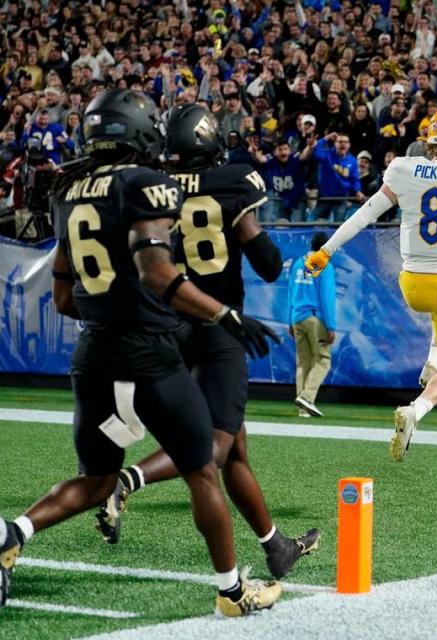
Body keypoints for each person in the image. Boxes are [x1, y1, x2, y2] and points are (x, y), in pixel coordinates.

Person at [0, 89, 282, 617]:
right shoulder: (146, 184)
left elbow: (64, 296)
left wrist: (110, 313)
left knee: (96, 479)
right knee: (202, 470)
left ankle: (13, 532)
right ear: (141, 130)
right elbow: (157, 272)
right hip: (150, 355)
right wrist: (224, 314)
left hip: (93, 355)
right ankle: (233, 594)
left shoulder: (67, 192)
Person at [94, 104, 319, 580]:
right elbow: (267, 263)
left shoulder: (154, 185)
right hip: (219, 324)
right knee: (212, 447)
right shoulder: (235, 181)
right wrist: (247, 230)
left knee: (235, 447)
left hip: (170, 325)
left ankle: (276, 545)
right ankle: (128, 480)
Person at [304, 105, 437, 462]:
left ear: (429, 137)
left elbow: (366, 212)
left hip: (411, 283)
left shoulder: (403, 167)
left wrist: (326, 250)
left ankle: (433, 361)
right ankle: (416, 410)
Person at [288, 232, 337, 418]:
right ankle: (307, 398)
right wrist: (331, 326)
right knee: (323, 360)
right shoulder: (325, 266)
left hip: (297, 317)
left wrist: (289, 321)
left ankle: (303, 408)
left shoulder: (297, 264)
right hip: (315, 318)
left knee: (303, 362)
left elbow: (290, 294)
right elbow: (327, 298)